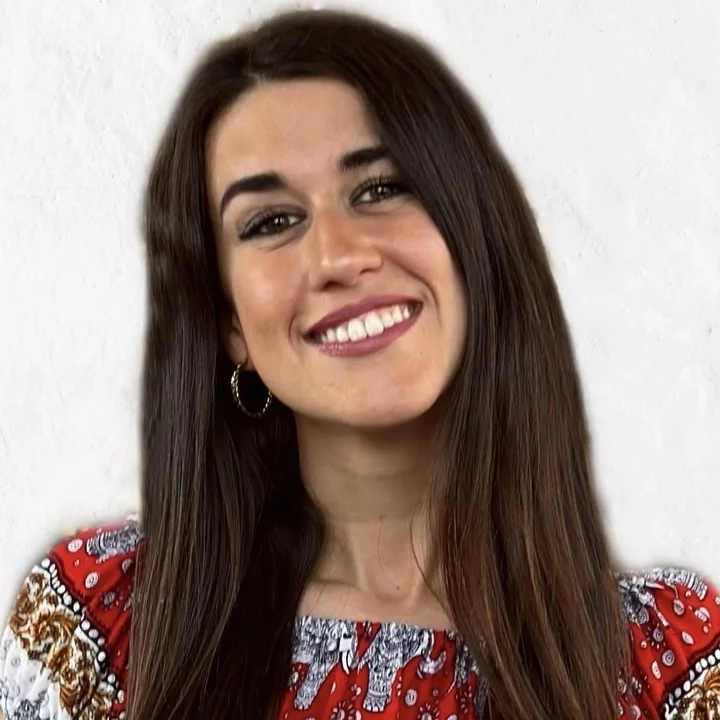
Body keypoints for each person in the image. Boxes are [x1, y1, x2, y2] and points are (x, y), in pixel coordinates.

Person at [0, 8, 718, 720]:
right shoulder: (106, 625)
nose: (338, 257)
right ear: (230, 323)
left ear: (476, 238)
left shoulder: (669, 662)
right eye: (271, 222)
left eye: (380, 189)